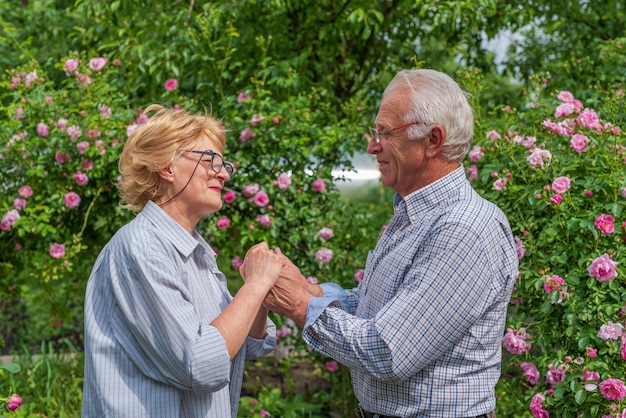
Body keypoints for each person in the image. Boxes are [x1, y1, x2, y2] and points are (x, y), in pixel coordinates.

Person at [256, 69, 519, 417]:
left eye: (385, 132)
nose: (372, 145)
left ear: (432, 140)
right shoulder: (417, 215)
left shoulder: (463, 228)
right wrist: (309, 291)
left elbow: (387, 350)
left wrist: (300, 304)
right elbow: (377, 308)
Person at [82, 104, 281, 418]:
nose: (224, 172)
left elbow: (249, 345)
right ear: (166, 167)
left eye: (224, 163)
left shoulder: (196, 253)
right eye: (211, 160)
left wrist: (264, 290)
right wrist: (255, 286)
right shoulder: (143, 247)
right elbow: (200, 365)